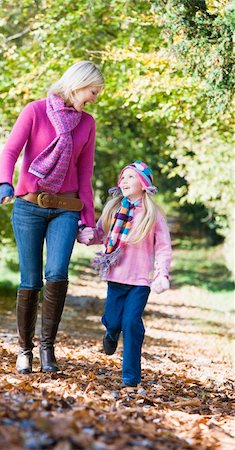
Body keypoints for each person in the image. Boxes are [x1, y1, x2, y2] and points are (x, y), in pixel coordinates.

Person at [0, 61, 104, 374]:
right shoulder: (35, 111)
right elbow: (10, 152)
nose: (95, 98)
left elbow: (85, 173)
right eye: (93, 91)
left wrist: (87, 218)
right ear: (78, 84)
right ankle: (24, 350)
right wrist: (5, 183)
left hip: (66, 209)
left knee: (57, 274)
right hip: (28, 206)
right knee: (30, 280)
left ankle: (47, 349)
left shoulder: (87, 123)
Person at [77, 160, 172, 387]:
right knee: (113, 320)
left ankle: (130, 376)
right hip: (115, 276)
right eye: (123, 177)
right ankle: (110, 333)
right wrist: (88, 236)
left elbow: (163, 247)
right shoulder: (114, 208)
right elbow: (101, 233)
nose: (124, 181)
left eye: (131, 177)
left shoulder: (153, 214)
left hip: (139, 281)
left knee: (131, 323)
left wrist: (161, 274)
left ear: (143, 183)